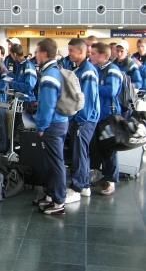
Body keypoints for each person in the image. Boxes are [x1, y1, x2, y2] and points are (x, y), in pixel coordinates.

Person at [34, 38, 69, 215]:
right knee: (53, 162)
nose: (35, 55)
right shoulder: (55, 70)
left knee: (56, 164)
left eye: (37, 51)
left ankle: (59, 202)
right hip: (59, 123)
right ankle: (51, 196)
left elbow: (48, 105)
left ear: (44, 53)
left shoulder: (49, 75)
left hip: (53, 125)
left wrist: (41, 126)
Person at [64, 38, 100, 204]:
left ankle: (77, 188)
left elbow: (85, 99)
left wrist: (80, 120)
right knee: (81, 153)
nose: (69, 54)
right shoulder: (79, 69)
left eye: (71, 50)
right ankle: (84, 185)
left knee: (79, 154)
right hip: (79, 119)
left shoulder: (87, 72)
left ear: (80, 52)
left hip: (84, 120)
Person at [89, 42, 122, 195]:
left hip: (109, 116)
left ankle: (110, 180)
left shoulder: (113, 70)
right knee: (96, 147)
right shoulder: (95, 69)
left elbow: (112, 91)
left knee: (110, 149)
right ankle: (97, 174)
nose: (90, 56)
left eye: (93, 53)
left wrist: (92, 86)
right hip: (97, 115)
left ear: (103, 55)